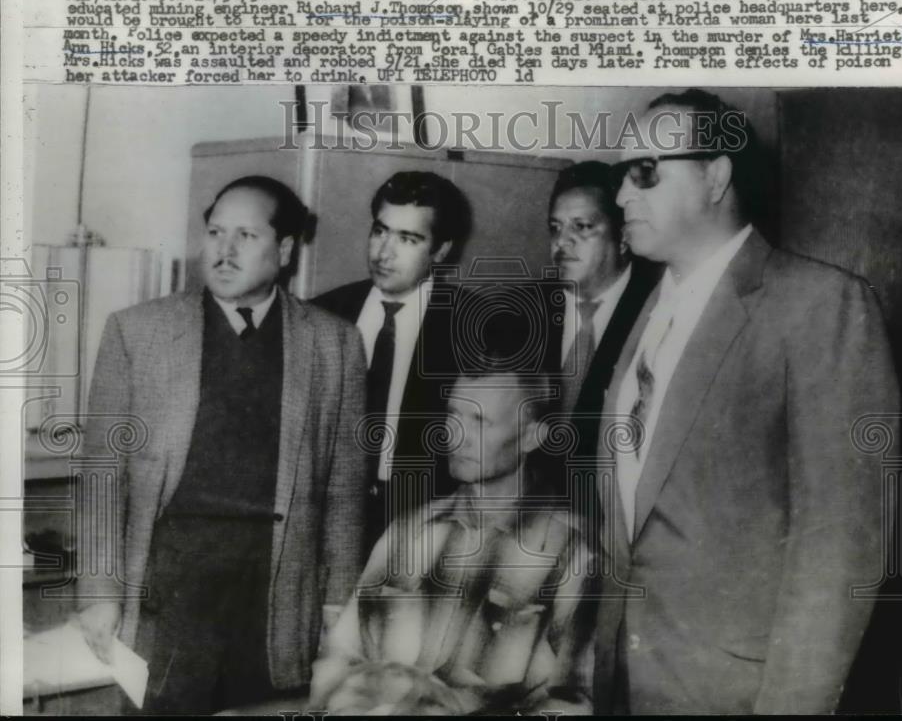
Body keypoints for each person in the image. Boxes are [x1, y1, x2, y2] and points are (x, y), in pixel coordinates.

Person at [593, 89, 899, 714]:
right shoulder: (644, 313)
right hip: (626, 684)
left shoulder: (817, 303)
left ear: (716, 175)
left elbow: (839, 546)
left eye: (645, 172)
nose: (622, 195)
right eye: (621, 176)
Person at [76, 176, 368, 713]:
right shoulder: (136, 332)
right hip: (169, 590)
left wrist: (337, 601)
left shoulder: (335, 343)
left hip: (276, 589)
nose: (224, 250)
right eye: (214, 232)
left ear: (284, 251)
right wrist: (99, 596)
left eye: (245, 236)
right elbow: (102, 476)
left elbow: (346, 487)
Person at [308, 357, 597, 716]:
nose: (454, 434)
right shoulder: (407, 532)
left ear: (531, 437)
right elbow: (340, 660)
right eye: (453, 414)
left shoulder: (572, 553)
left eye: (479, 420)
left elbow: (574, 702)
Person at [312, 171, 472, 550]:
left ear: (441, 250)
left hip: (423, 531)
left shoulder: (475, 327)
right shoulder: (321, 314)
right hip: (325, 524)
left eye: (408, 239)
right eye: (380, 231)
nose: (384, 253)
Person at [545, 160, 662, 445]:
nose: (562, 242)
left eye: (582, 227)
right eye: (555, 227)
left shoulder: (657, 310)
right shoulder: (517, 312)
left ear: (623, 236)